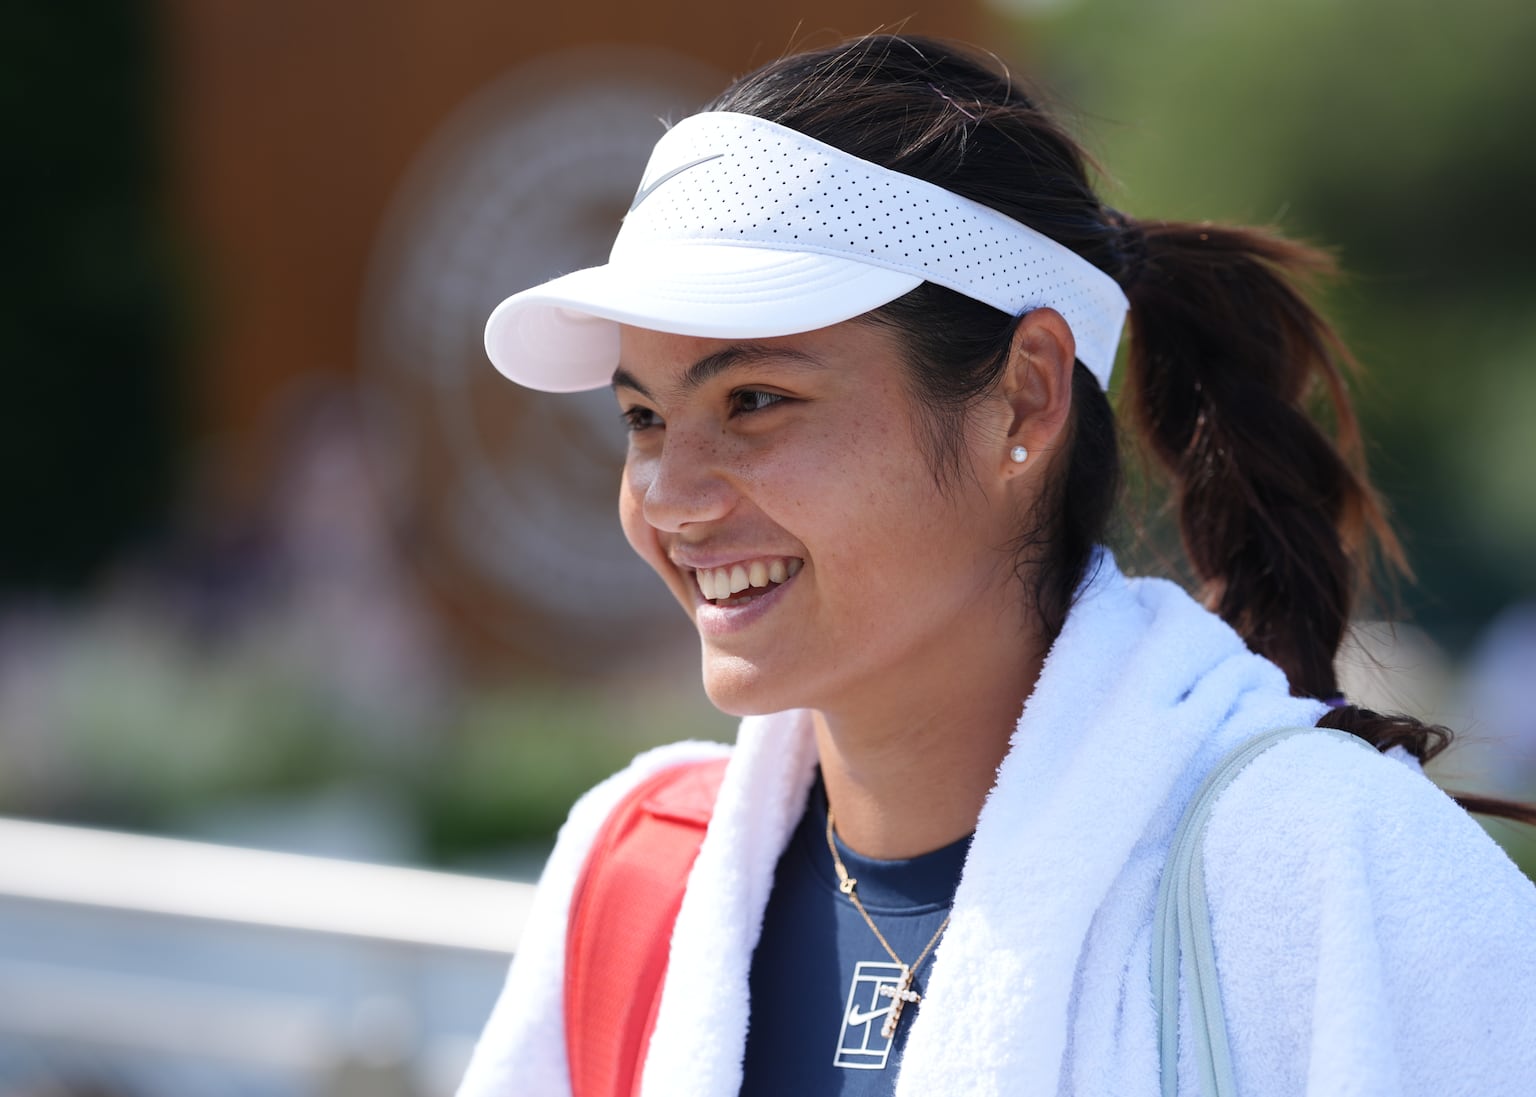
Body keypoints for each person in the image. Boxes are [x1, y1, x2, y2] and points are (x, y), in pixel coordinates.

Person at [456, 34, 1536, 1097]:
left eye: (755, 400)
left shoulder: (1330, 868)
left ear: (1026, 396)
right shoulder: (635, 878)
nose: (669, 498)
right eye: (643, 417)